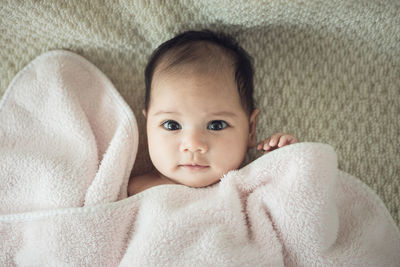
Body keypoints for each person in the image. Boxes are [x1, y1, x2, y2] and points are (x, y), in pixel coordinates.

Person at [128, 30, 297, 196]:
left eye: (216, 125)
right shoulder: (132, 190)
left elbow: (292, 208)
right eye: (171, 125)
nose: (193, 144)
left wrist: (285, 167)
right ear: (147, 127)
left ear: (251, 130)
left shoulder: (251, 186)